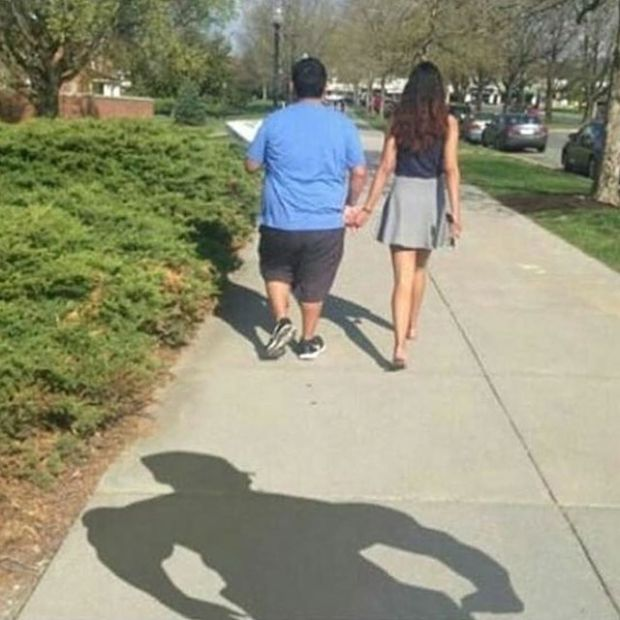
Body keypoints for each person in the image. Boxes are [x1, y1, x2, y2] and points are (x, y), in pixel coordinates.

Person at [84, 452, 524, 619]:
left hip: (281, 604)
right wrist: (495, 586)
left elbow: (114, 542)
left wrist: (182, 602)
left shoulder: (169, 513)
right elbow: (432, 541)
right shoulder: (311, 511)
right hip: (358, 600)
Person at [245, 57, 367, 361]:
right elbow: (359, 172)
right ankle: (308, 340)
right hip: (324, 222)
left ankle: (282, 320)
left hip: (279, 219)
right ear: (325, 88)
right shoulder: (343, 125)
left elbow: (251, 165)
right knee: (315, 281)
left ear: (292, 86)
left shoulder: (274, 121)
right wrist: (350, 204)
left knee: (276, 270)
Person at [352, 61, 462, 370]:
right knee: (420, 269)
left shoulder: (398, 120)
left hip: (403, 195)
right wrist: (456, 212)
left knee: (402, 277)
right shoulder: (448, 123)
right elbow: (451, 169)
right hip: (431, 198)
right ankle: (412, 323)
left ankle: (399, 346)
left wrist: (368, 207)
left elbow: (386, 167)